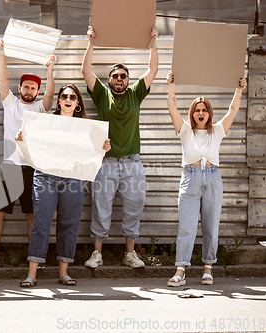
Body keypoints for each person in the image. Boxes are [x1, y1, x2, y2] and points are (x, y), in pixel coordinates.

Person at [18, 84, 111, 287]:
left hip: (73, 178)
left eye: (73, 97)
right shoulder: (45, 122)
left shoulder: (86, 127)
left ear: (78, 103)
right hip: (46, 176)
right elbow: (30, 144)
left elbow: (94, 153)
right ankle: (32, 274)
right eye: (64, 96)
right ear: (59, 100)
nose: (68, 100)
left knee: (69, 224)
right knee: (41, 224)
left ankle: (63, 273)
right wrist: (22, 140)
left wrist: (103, 148)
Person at [81, 25, 159, 268]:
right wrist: (91, 42)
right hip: (106, 163)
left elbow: (153, 69)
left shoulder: (136, 94)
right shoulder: (103, 95)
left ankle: (130, 254)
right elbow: (85, 70)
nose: (119, 79)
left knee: (133, 208)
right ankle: (97, 254)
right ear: (109, 80)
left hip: (132, 163)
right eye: (115, 76)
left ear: (128, 80)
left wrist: (153, 41)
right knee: (101, 208)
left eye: (123, 76)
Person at [166, 71, 247, 287]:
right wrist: (171, 86)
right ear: (192, 114)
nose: (200, 113)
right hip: (190, 178)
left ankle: (208, 268)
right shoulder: (184, 130)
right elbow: (172, 108)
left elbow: (232, 110)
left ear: (209, 114)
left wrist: (239, 90)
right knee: (187, 227)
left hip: (212, 179)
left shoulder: (218, 130)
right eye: (196, 110)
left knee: (211, 226)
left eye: (204, 110)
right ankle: (181, 269)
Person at [0, 39, 55, 269]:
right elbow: (2, 78)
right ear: (20, 88)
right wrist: (0, 53)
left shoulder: (39, 109)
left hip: (32, 168)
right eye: (26, 86)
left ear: (37, 91)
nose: (29, 90)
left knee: (31, 216)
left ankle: (35, 257)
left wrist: (50, 70)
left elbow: (51, 97)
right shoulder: (10, 104)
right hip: (10, 167)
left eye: (34, 88)